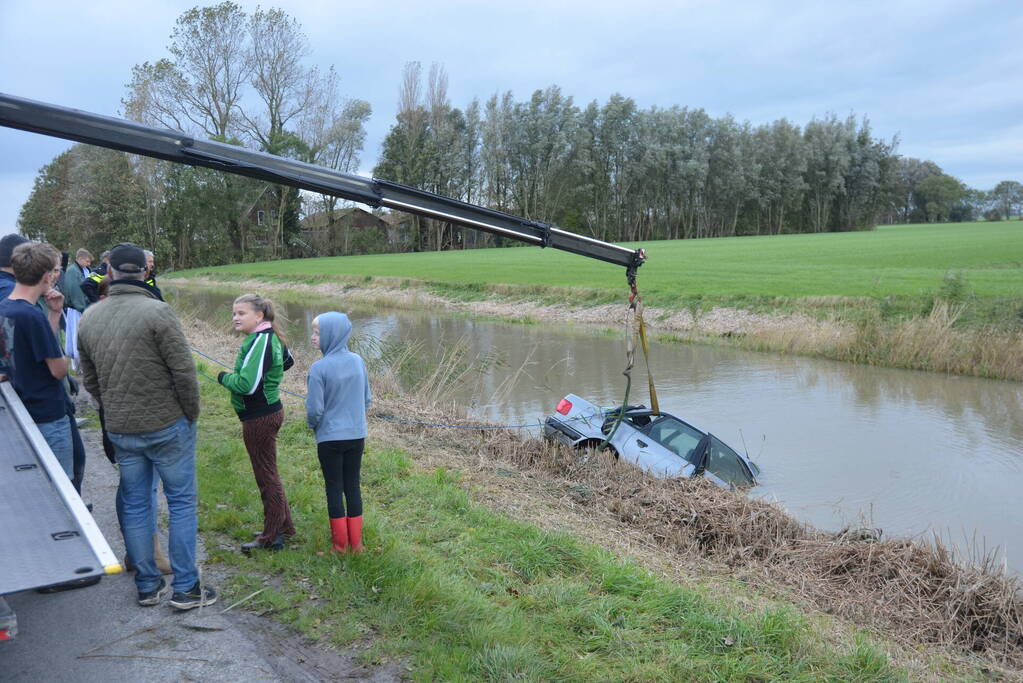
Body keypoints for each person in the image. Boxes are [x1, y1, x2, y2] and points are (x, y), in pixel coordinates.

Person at [78, 242, 216, 610]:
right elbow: (184, 372)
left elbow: (88, 379)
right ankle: (186, 588)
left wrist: (110, 409)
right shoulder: (159, 312)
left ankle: (147, 585)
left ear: (109, 272)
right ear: (144, 272)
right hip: (168, 423)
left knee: (137, 504)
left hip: (123, 427)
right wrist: (191, 413)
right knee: (182, 502)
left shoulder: (91, 317)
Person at [216, 293, 295, 554]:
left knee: (266, 477)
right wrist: (269, 375)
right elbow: (288, 362)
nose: (235, 318)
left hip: (260, 416)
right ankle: (284, 526)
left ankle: (271, 537)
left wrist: (223, 377)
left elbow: (246, 385)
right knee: (269, 471)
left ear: (259, 316)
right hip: (265, 412)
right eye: (233, 313)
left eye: (241, 313)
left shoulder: (261, 340)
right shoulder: (269, 335)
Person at [0, 241, 73, 478]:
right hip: (47, 415)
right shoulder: (31, 315)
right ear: (46, 277)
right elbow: (58, 370)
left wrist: (54, 312)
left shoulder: (6, 308)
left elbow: (36, 348)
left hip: (22, 411)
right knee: (61, 487)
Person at [306, 312, 372, 554]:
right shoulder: (358, 361)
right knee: (352, 486)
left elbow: (315, 410)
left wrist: (313, 424)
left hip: (329, 439)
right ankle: (357, 544)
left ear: (333, 334)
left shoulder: (318, 368)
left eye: (317, 332)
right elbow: (367, 400)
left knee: (334, 487)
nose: (312, 337)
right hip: (356, 436)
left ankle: (339, 546)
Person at [62, 248, 92, 369]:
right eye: (87, 261)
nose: (89, 264)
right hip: (77, 309)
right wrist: (82, 307)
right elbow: (74, 290)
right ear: (79, 259)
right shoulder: (72, 271)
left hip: (85, 307)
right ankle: (78, 364)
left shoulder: (86, 269)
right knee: (76, 337)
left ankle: (83, 363)